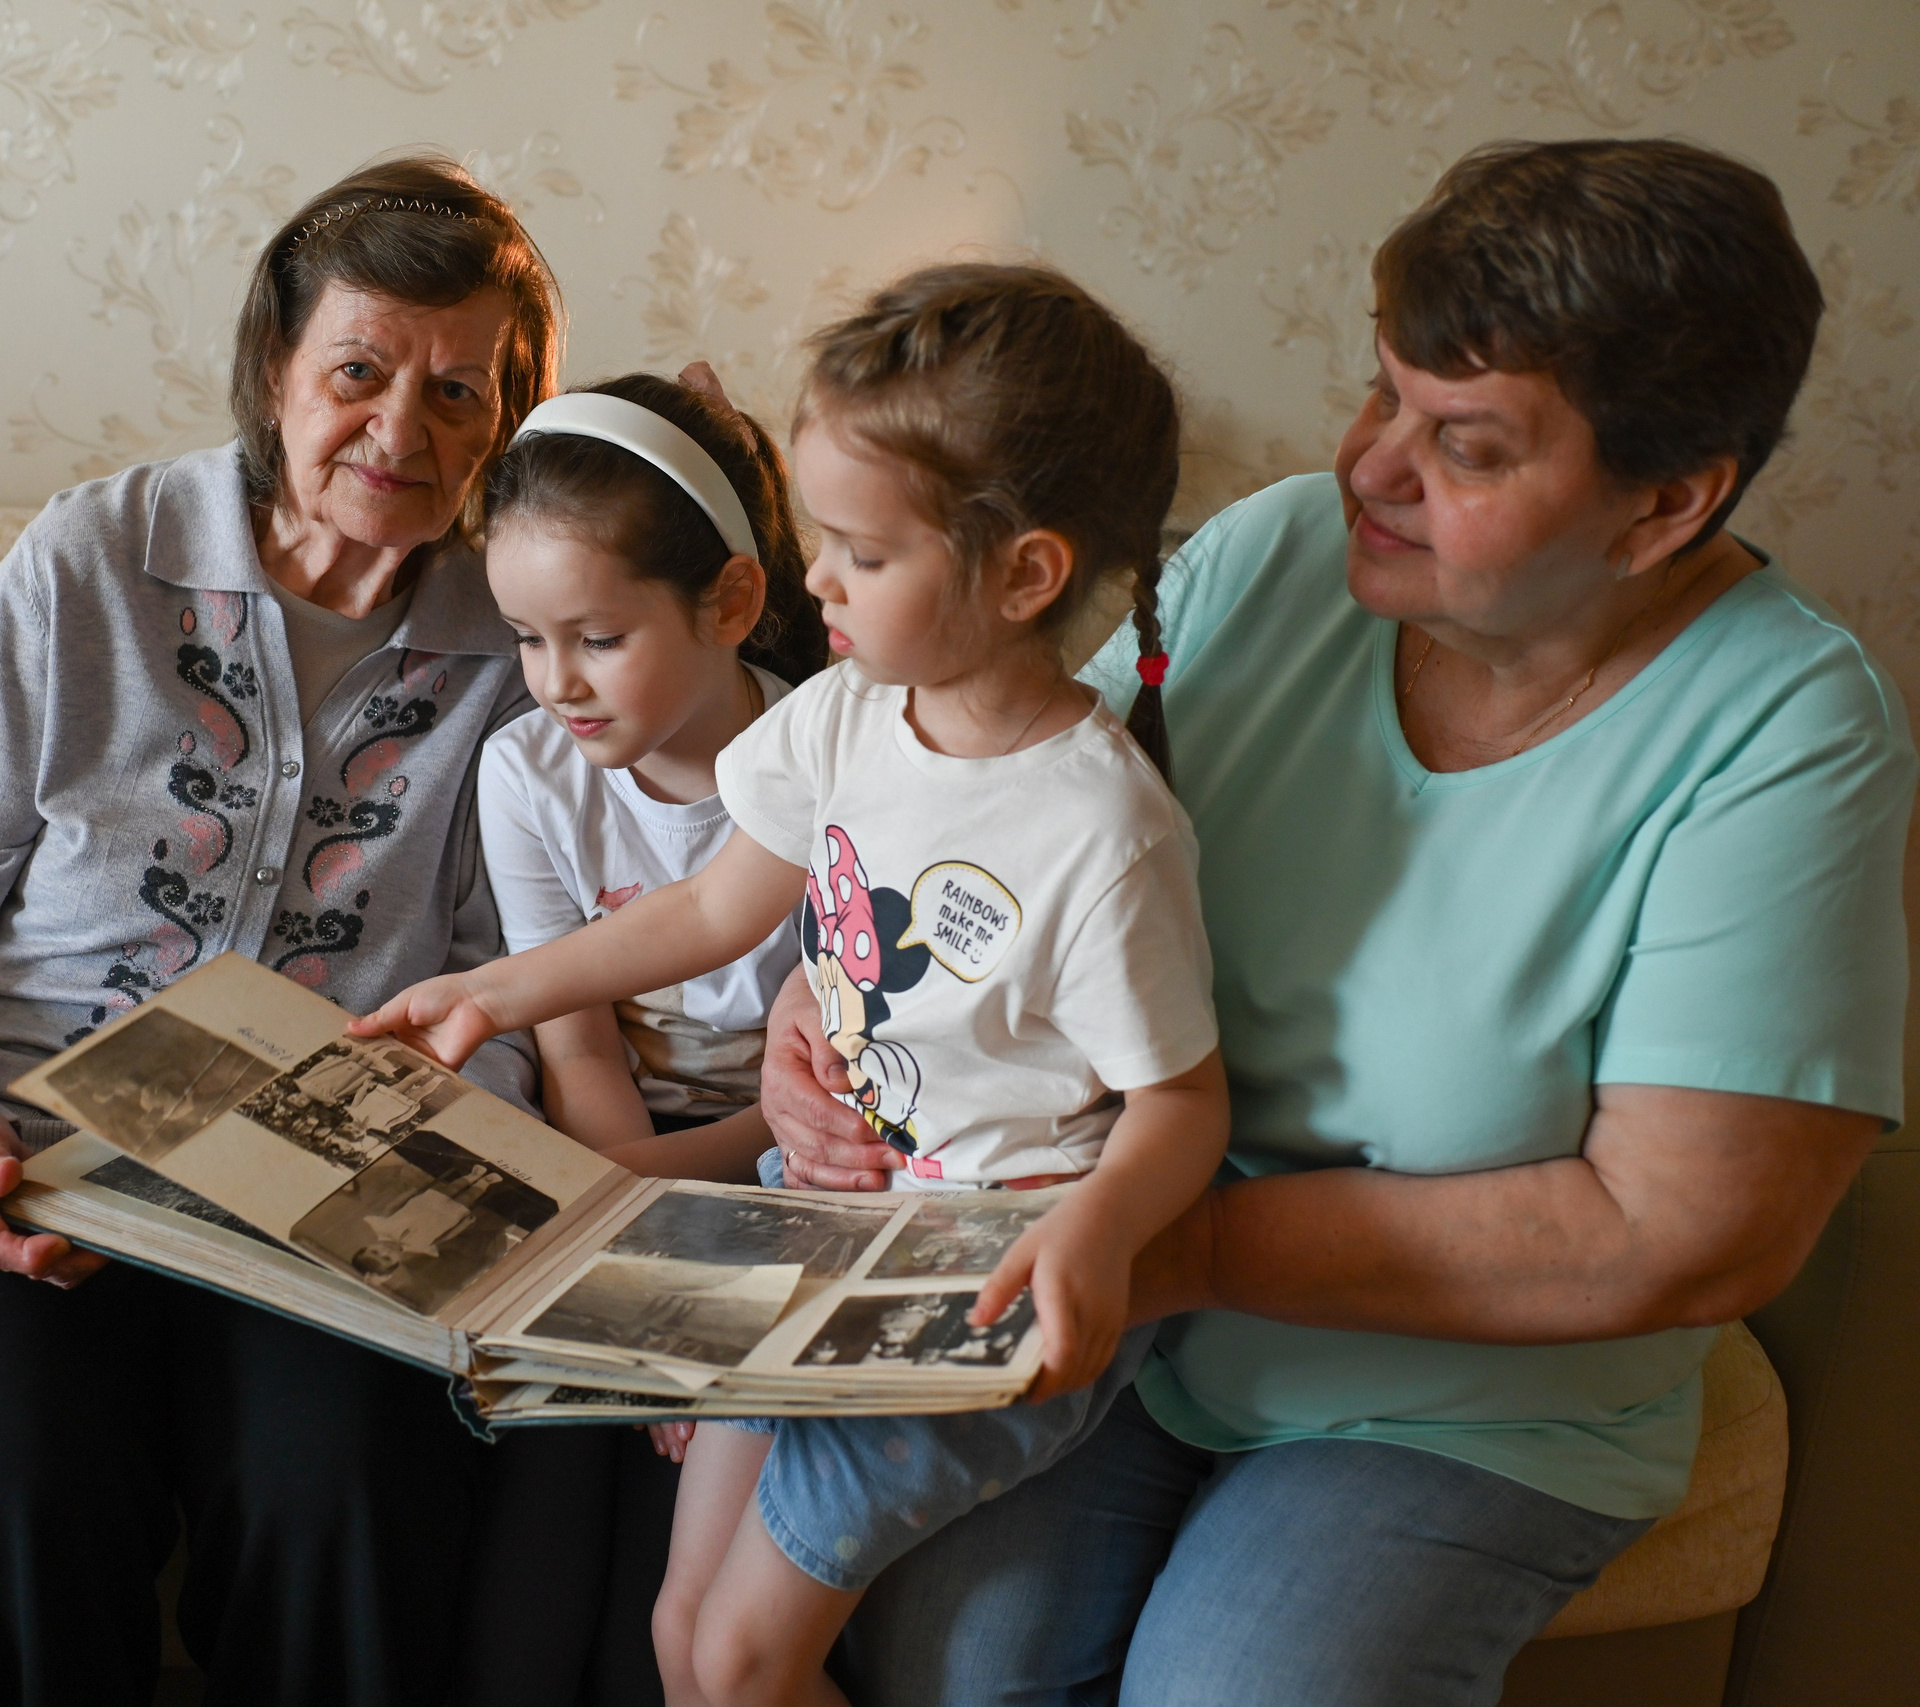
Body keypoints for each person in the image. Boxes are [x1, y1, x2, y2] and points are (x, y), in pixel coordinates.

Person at [761, 139, 1916, 1707]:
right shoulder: (1280, 550)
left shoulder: (1785, 732)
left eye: (1466, 445)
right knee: (956, 1656)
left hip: (1458, 1395)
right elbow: (966, 842)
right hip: (1114, 1295)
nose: (1370, 466)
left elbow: (1688, 1227)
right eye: (1383, 396)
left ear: (1666, 502)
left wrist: (1181, 1243)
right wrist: (822, 1025)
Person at [355, 262, 1231, 1707]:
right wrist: (497, 994)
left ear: (1024, 574)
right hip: (827, 1230)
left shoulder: (1101, 829)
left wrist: (1098, 1236)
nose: (814, 577)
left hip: (973, 1285)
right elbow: (708, 906)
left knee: (749, 1660)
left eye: (859, 552)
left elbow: (1183, 1102)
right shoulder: (846, 715)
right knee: (684, 1644)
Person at [0, 154, 595, 1707]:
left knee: (351, 1495)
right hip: (14, 1135)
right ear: (274, 373)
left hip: (335, 1188)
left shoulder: (525, 639)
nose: (400, 430)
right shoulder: (91, 562)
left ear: (510, 421)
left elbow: (513, 989)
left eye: (458, 393)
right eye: (358, 372)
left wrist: (419, 1162)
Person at [473, 363, 827, 1187]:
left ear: (731, 604)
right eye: (527, 637)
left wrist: (646, 1184)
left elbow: (836, 1057)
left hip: (807, 1131)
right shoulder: (525, 776)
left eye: (598, 639)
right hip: (626, 1141)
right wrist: (623, 1179)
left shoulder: (825, 756)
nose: (557, 683)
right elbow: (576, 1038)